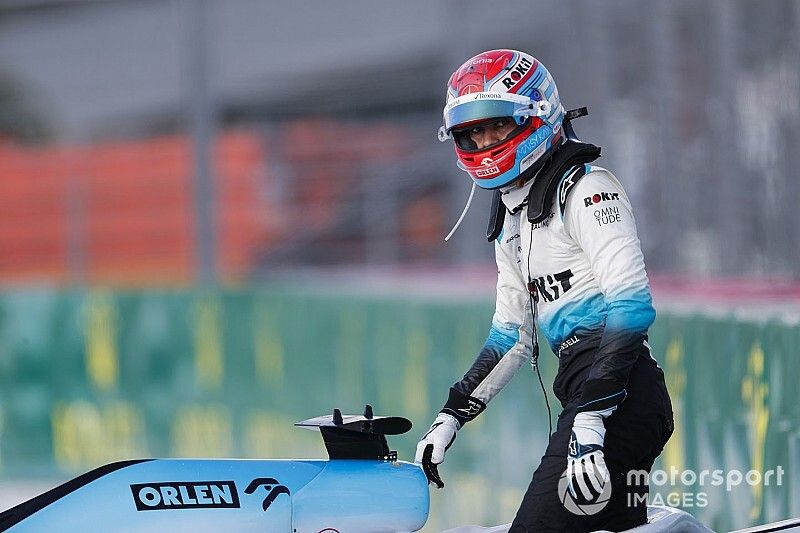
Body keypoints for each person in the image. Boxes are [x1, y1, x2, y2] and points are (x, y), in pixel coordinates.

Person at [415, 49, 674, 532]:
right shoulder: (511, 214)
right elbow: (512, 335)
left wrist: (592, 420)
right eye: (472, 132)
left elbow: (631, 306)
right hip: (589, 399)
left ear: (537, 116)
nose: (485, 141)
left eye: (498, 126)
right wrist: (451, 415)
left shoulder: (590, 189)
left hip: (622, 400)